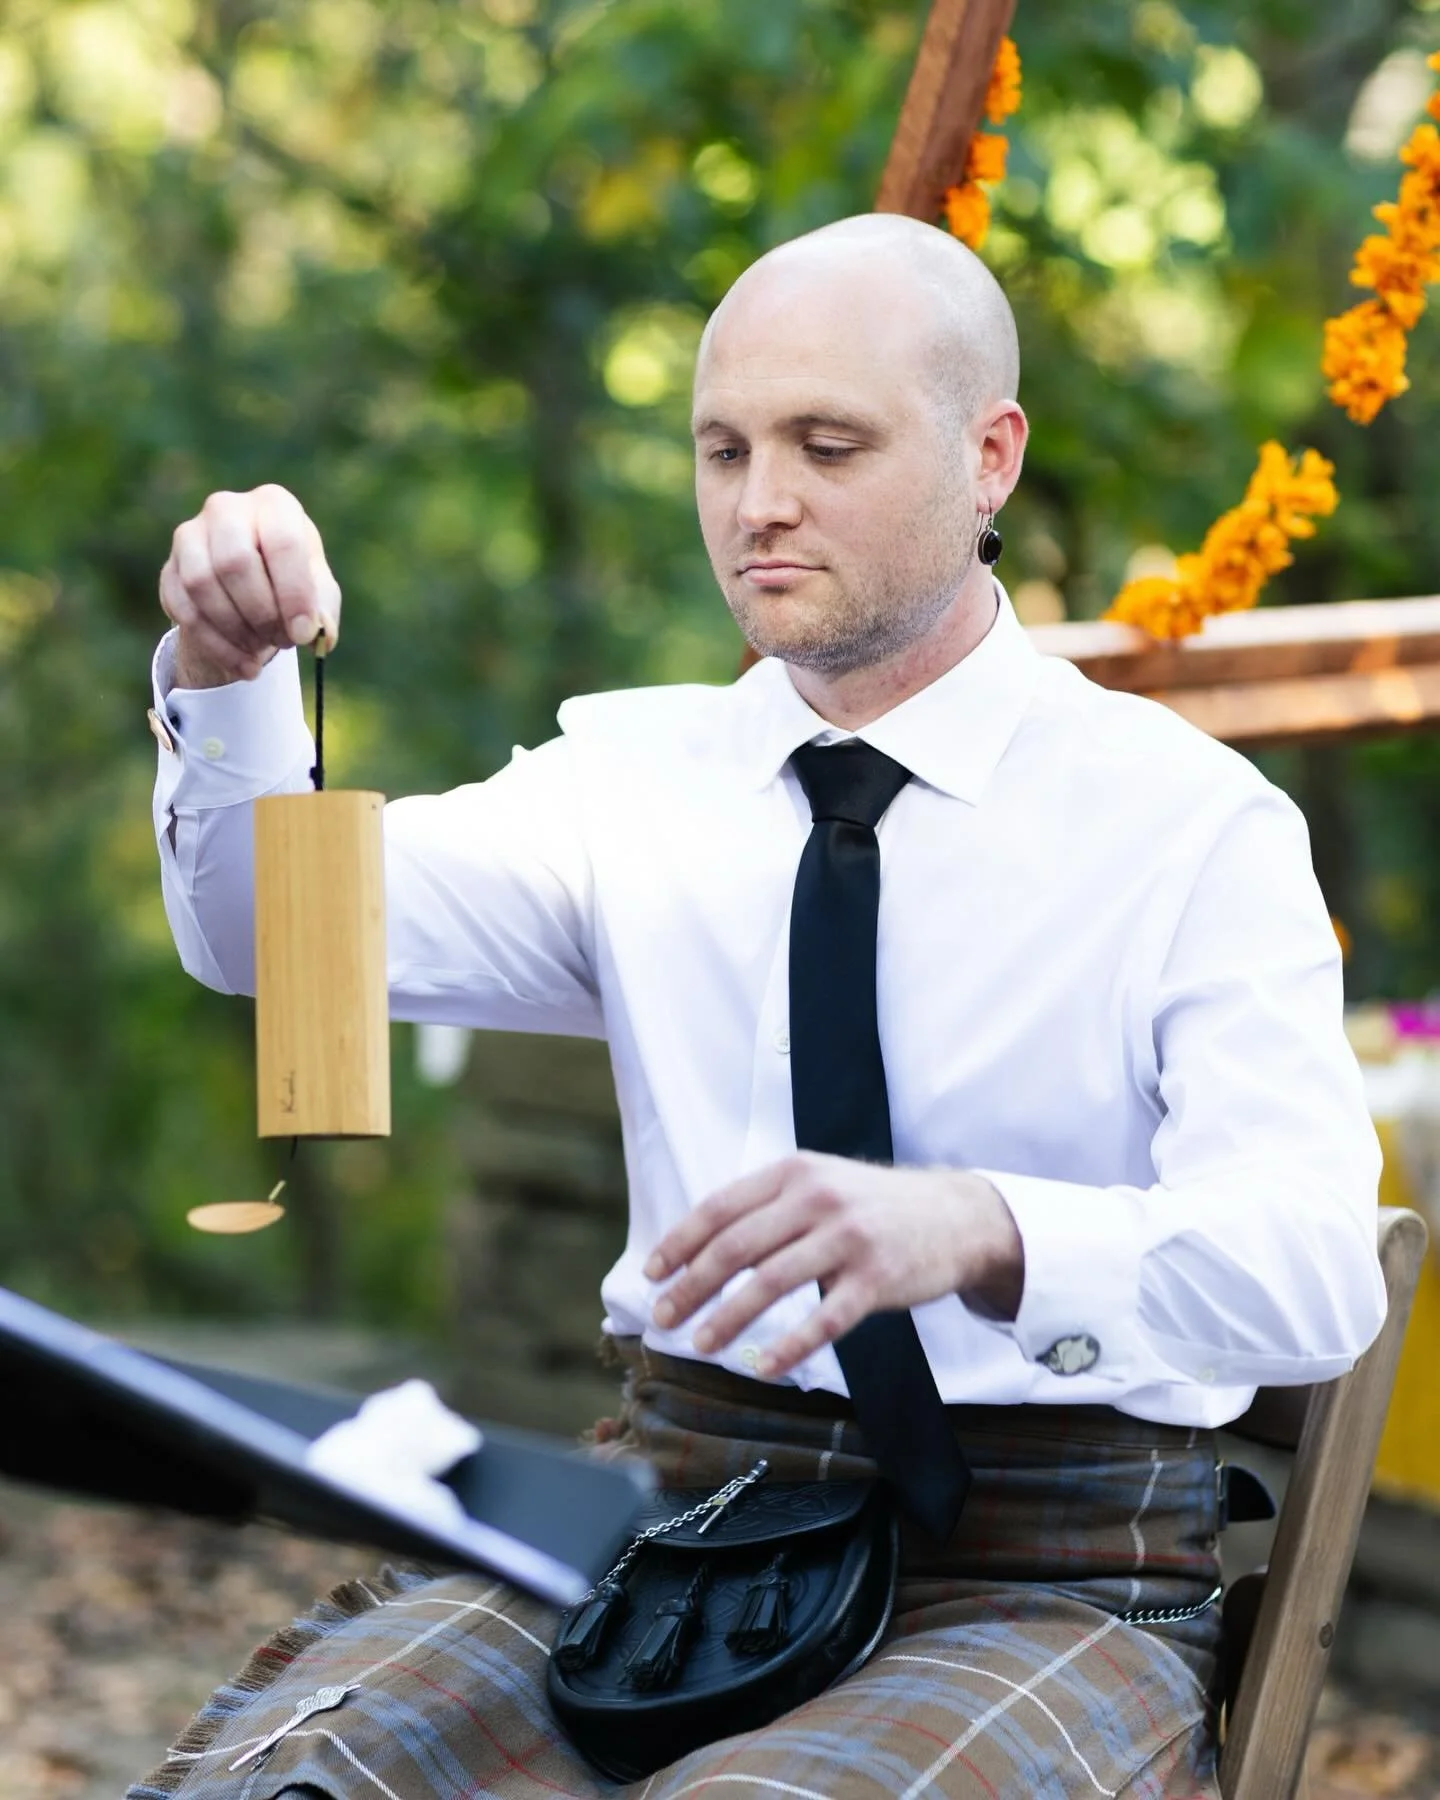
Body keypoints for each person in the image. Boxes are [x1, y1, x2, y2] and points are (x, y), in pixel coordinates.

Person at [131, 213, 1385, 1800]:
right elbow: (268, 941)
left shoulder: (1191, 828)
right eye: (723, 449)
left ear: (989, 457)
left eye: (827, 444)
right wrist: (225, 664)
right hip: (669, 1516)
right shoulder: (629, 783)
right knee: (283, 1789)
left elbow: (1314, 1271)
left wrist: (984, 1228)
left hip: (1040, 1572)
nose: (760, 503)